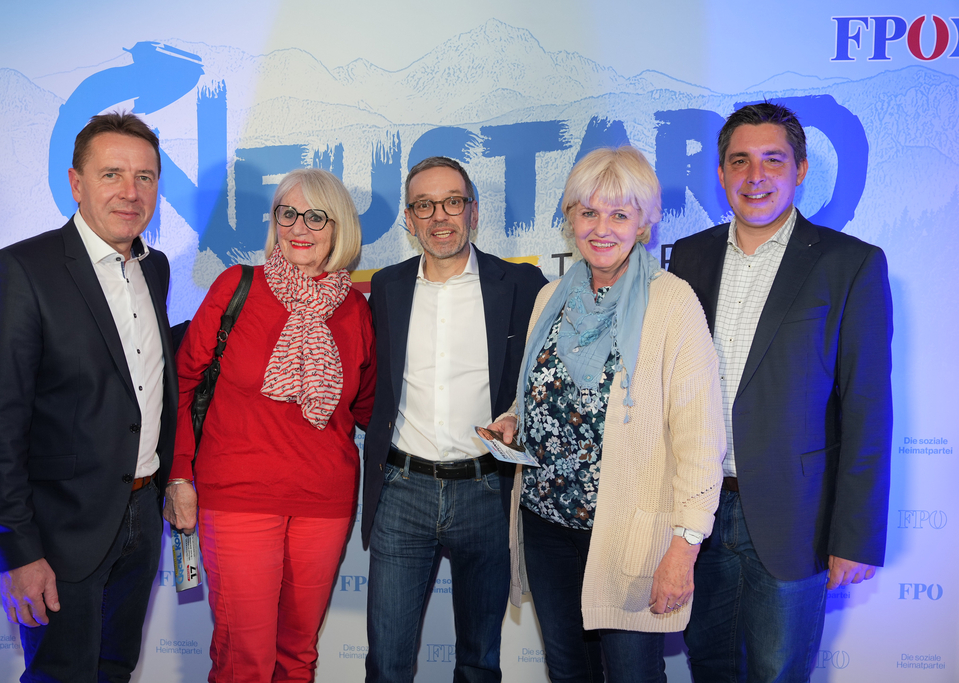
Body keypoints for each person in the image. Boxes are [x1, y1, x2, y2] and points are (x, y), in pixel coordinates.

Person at [668, 102, 893, 682]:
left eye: (773, 160)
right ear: (721, 173)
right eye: (740, 161)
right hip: (697, 511)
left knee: (777, 673)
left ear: (801, 169)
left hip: (796, 518)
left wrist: (855, 536)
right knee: (709, 667)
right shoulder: (688, 257)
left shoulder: (850, 264)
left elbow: (867, 410)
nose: (755, 176)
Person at [489, 147, 725, 683]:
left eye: (619, 214)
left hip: (628, 534)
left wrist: (684, 548)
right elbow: (542, 391)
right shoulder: (551, 296)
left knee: (632, 676)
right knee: (568, 672)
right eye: (588, 212)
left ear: (643, 223)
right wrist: (513, 420)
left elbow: (700, 437)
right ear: (570, 217)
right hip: (546, 523)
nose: (601, 228)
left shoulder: (673, 303)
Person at [0, 111, 176, 681]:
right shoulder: (19, 271)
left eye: (145, 177)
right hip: (59, 533)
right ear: (76, 182)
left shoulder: (154, 268)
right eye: (112, 174)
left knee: (114, 669)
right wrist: (17, 551)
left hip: (142, 516)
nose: (131, 192)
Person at [164, 168, 376, 683]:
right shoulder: (237, 286)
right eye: (288, 213)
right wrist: (179, 475)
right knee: (245, 661)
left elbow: (369, 407)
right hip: (237, 497)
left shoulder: (356, 308)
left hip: (324, 503)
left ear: (339, 227)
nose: (299, 227)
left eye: (316, 216)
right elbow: (183, 384)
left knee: (298, 656)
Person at [361, 156, 547, 683]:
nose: (439, 216)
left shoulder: (522, 285)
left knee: (479, 661)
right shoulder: (386, 287)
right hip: (402, 490)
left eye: (452, 202)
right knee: (387, 663)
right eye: (424, 205)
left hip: (487, 493)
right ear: (409, 218)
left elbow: (543, 380)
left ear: (474, 211)